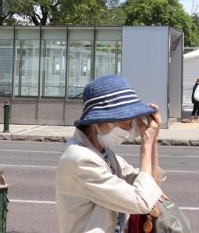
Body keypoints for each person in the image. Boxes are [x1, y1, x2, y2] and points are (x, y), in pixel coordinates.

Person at [56, 75, 164, 233]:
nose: (128, 127)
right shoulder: (81, 159)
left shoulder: (105, 154)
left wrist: (153, 140)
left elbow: (150, 182)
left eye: (130, 120)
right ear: (97, 121)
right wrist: (146, 144)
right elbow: (142, 201)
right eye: (123, 119)